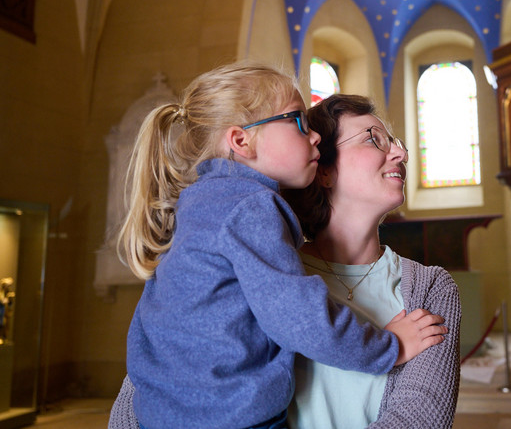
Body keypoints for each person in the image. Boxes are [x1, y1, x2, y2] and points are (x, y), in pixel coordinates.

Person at [110, 63, 446, 429]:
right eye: (298, 121)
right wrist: (389, 347)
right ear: (241, 141)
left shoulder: (199, 206)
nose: (313, 136)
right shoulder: (251, 207)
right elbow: (302, 319)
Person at [282, 94, 462, 428]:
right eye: (373, 139)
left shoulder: (431, 288)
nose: (401, 154)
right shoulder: (278, 278)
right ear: (324, 170)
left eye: (395, 143)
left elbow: (420, 418)